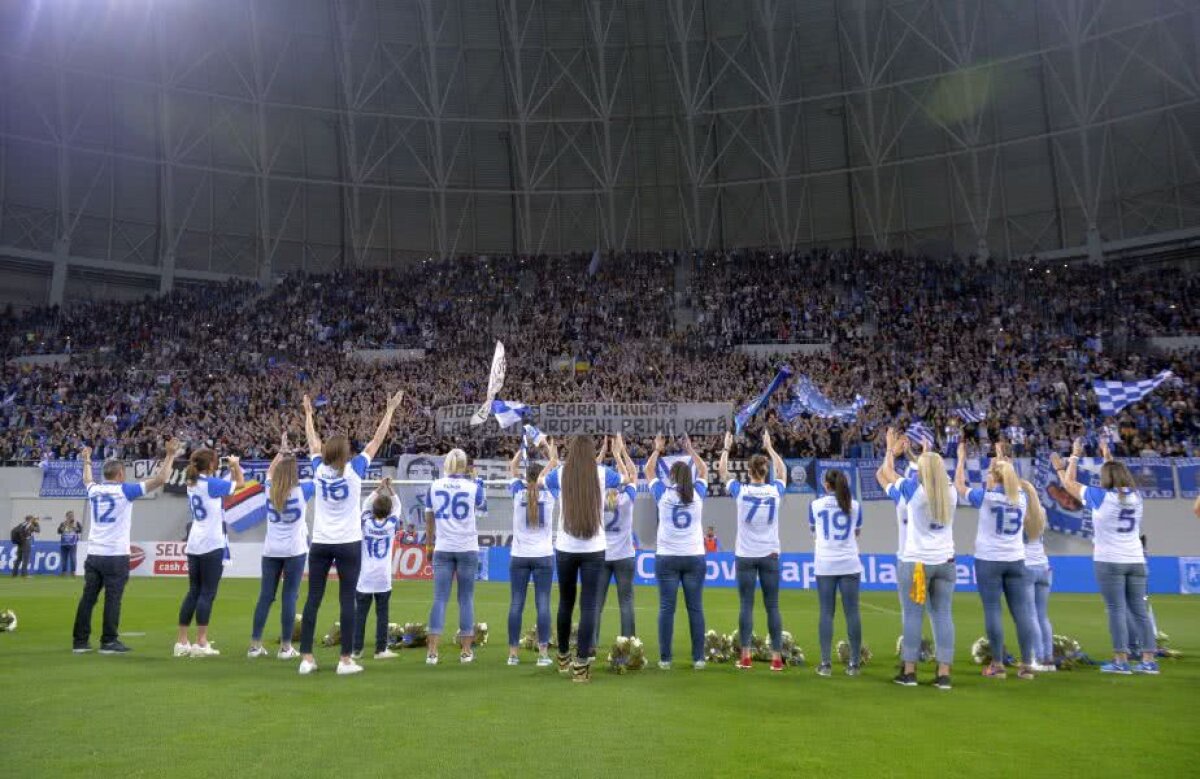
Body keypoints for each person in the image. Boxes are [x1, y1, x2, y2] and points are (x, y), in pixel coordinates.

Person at [297, 388, 404, 676]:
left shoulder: (318, 470)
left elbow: (312, 440)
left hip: (320, 542)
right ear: (346, 454)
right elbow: (377, 441)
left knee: (313, 599)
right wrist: (390, 410)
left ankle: (306, 658)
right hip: (348, 543)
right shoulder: (355, 470)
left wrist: (308, 414)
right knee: (347, 600)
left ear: (326, 453)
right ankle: (345, 660)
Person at [1052, 438, 1158, 675]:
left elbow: (1068, 484)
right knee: (1140, 611)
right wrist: (1107, 455)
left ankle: (1121, 660)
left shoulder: (1100, 496)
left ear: (1105, 478)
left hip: (1110, 560)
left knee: (1116, 610)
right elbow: (1118, 477)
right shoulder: (1136, 496)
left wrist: (1072, 458)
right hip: (1136, 559)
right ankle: (1149, 660)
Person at [73, 439, 181, 654]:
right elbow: (161, 479)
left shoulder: (94, 490)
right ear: (121, 474)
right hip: (115, 554)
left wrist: (86, 460)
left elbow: (87, 480)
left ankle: (80, 642)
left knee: (88, 598)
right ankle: (109, 641)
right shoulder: (125, 490)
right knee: (113, 598)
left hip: (94, 553)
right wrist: (170, 455)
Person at [954, 441, 1042, 680]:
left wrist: (961, 459)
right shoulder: (1021, 497)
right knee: (1022, 612)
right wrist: (1001, 459)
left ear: (994, 478)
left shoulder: (987, 497)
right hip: (1016, 559)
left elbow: (959, 486)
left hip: (989, 560)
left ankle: (998, 664)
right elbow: (1008, 477)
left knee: (993, 610)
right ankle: (1026, 665)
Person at [541, 435, 626, 682]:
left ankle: (563, 657)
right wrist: (618, 454)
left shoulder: (559, 473)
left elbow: (545, 482)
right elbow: (626, 479)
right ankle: (581, 666)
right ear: (591, 452)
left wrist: (553, 457)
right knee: (589, 606)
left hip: (565, 547)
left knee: (566, 602)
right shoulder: (603, 473)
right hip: (594, 548)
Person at [877, 428, 957, 689]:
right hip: (945, 562)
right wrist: (923, 454)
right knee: (943, 616)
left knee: (912, 616)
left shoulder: (914, 492)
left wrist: (890, 449)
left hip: (917, 563)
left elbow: (886, 474)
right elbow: (933, 473)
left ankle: (909, 671)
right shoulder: (951, 492)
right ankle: (944, 673)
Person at [718, 430, 787, 672]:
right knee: (773, 606)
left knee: (746, 605)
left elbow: (722, 472)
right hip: (769, 555)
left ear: (749, 471)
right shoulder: (775, 491)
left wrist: (726, 448)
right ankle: (777, 658)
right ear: (765, 471)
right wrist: (770, 448)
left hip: (746, 555)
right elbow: (784, 472)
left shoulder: (742, 491)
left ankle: (746, 656)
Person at [646, 434, 709, 671]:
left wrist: (657, 449)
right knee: (695, 608)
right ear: (689, 476)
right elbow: (704, 472)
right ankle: (698, 658)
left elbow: (649, 470)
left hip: (667, 557)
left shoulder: (663, 495)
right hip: (694, 557)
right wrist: (692, 451)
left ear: (671, 477)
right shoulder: (698, 494)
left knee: (666, 608)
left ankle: (665, 658)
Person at [248, 435, 314, 660]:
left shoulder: (269, 489)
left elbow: (269, 472)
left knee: (265, 596)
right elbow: (320, 477)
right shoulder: (303, 491)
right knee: (289, 597)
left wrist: (281, 453)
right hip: (294, 551)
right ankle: (286, 647)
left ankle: (255, 645)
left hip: (271, 550)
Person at [175, 448, 245, 658]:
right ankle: (201, 641)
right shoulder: (211, 484)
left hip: (195, 542)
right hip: (211, 543)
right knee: (207, 593)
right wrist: (235, 466)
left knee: (193, 591)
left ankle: (182, 641)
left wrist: (231, 470)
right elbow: (240, 485)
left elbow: (227, 490)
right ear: (212, 465)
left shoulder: (192, 482)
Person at [995, 441, 1056, 672]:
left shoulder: (1019, 511)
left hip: (1026, 568)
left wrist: (1001, 460)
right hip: (1044, 566)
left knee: (1028, 616)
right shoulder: (1041, 513)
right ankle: (1048, 658)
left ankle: (1036, 658)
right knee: (1042, 616)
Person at [424, 449, 486, 665]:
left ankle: (432, 652)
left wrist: (429, 545)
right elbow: (482, 509)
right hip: (467, 546)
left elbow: (429, 518)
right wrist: (479, 482)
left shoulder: (434, 486)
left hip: (443, 546)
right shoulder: (473, 487)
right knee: (465, 599)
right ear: (465, 465)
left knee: (440, 598)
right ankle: (466, 651)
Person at [506, 444, 558, 667]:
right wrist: (547, 447)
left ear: (526, 476)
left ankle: (513, 655)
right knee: (543, 604)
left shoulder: (518, 492)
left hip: (519, 555)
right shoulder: (551, 493)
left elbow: (512, 466)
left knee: (516, 603)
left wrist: (522, 447)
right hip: (544, 555)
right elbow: (555, 462)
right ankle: (543, 654)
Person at [810, 468, 864, 677]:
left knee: (826, 612)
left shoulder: (815, 505)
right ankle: (854, 664)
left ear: (826, 485)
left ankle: (825, 664)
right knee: (852, 613)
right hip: (849, 562)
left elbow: (813, 530)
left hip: (825, 563)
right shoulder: (855, 506)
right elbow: (857, 532)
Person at [595, 435, 638, 648]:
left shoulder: (598, 499)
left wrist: (603, 454)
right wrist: (620, 454)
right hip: (625, 556)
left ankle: (590, 647)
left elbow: (593, 474)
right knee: (626, 603)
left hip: (601, 555)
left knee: (596, 604)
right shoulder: (627, 498)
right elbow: (633, 475)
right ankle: (629, 646)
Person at [354, 479, 401, 661]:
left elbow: (365, 504)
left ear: (373, 509)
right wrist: (390, 489)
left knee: (360, 615)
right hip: (383, 577)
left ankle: (356, 650)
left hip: (365, 576)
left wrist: (378, 488)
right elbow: (398, 506)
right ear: (388, 511)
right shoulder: (391, 525)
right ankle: (380, 649)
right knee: (382, 614)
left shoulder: (365, 522)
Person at [57, 511, 82, 577]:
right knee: (64, 558)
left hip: (72, 543)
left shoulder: (76, 523)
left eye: (72, 515)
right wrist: (64, 526)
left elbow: (80, 530)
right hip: (64, 543)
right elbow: (59, 531)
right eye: (69, 516)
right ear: (66, 516)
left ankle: (73, 572)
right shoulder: (63, 523)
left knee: (72, 558)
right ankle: (63, 572)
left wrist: (74, 527)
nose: (71, 517)